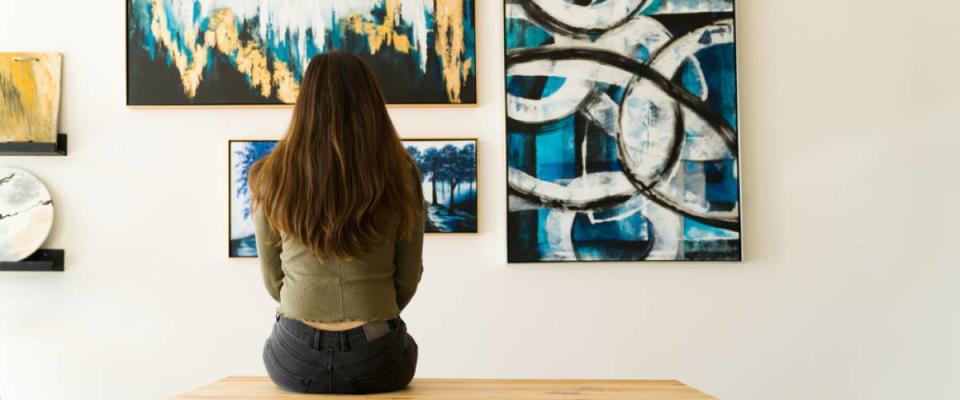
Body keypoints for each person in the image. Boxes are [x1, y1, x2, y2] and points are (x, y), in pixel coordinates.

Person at [248, 51, 425, 394]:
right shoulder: (401, 173)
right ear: (371, 102)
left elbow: (273, 280)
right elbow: (407, 276)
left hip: (295, 356)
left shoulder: (271, 174)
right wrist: (372, 311)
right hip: (377, 355)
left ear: (305, 102)